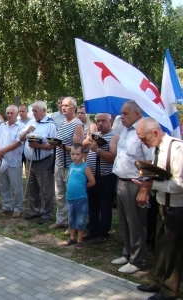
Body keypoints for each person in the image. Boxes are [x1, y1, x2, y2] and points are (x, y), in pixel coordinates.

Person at [133, 118, 183, 300]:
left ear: (154, 132)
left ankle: (170, 291)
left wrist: (151, 184)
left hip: (177, 206)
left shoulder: (177, 148)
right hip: (162, 203)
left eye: (143, 138)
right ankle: (159, 281)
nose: (141, 142)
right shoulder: (157, 148)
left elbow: (179, 183)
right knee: (161, 245)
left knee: (174, 249)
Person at [111, 100, 152, 274]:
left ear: (137, 113)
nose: (122, 116)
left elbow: (150, 161)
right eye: (121, 112)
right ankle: (127, 253)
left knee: (135, 222)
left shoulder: (143, 132)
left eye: (126, 113)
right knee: (123, 220)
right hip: (121, 180)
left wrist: (144, 188)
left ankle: (138, 259)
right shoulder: (125, 130)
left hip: (135, 183)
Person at [83, 113, 119, 243]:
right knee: (92, 205)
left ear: (110, 121)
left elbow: (112, 158)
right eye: (98, 121)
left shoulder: (114, 136)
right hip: (92, 177)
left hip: (105, 177)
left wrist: (98, 150)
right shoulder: (95, 136)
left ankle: (103, 233)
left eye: (103, 121)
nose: (100, 123)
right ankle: (92, 229)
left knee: (105, 206)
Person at [19, 101, 57, 224]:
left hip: (44, 161)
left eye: (35, 111)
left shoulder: (50, 125)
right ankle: (35, 210)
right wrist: (27, 131)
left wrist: (38, 146)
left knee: (46, 189)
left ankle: (47, 213)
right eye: (33, 111)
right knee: (32, 187)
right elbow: (20, 138)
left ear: (44, 111)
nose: (33, 113)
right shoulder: (31, 122)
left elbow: (53, 145)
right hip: (30, 161)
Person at [50, 96, 84, 230]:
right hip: (59, 163)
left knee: (71, 196)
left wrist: (60, 145)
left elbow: (77, 148)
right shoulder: (63, 123)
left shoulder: (77, 125)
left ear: (74, 108)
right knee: (59, 194)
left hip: (71, 166)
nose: (63, 107)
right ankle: (61, 220)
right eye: (62, 105)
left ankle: (72, 224)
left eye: (66, 106)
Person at [62, 143, 95, 250]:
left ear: (82, 154)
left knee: (80, 219)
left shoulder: (85, 167)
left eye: (77, 154)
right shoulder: (71, 166)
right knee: (71, 218)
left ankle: (80, 240)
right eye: (72, 154)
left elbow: (92, 182)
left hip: (81, 198)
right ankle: (72, 238)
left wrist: (83, 187)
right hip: (70, 198)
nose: (74, 156)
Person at [0, 105, 25, 218]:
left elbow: (17, 143)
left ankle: (18, 208)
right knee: (3, 184)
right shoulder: (2, 126)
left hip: (13, 162)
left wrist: (2, 151)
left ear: (17, 114)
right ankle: (6, 206)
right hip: (1, 161)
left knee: (16, 187)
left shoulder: (21, 127)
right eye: (7, 113)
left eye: (12, 113)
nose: (9, 115)